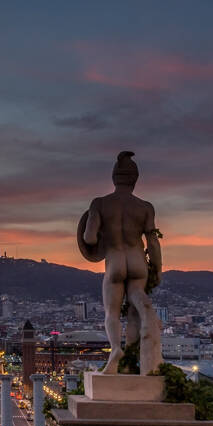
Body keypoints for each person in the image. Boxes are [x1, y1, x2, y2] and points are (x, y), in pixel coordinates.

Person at [82, 151, 163, 375]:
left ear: (114, 178)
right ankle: (133, 355)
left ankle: (116, 350)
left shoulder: (100, 204)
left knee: (112, 313)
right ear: (134, 179)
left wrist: (100, 232)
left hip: (115, 262)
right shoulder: (145, 207)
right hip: (138, 262)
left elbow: (89, 238)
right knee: (136, 305)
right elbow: (153, 242)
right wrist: (158, 269)